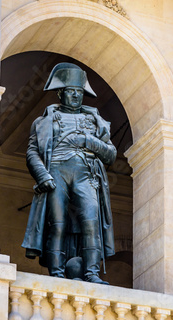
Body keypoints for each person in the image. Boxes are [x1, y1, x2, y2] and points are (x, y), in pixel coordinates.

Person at [21, 63, 116, 284]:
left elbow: (110, 154)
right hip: (56, 171)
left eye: (80, 92)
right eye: (71, 91)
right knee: (58, 223)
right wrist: (42, 175)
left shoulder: (96, 121)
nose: (76, 96)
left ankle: (92, 273)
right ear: (61, 93)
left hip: (86, 173)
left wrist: (87, 140)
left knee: (91, 221)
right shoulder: (43, 121)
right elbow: (32, 152)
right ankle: (56, 272)